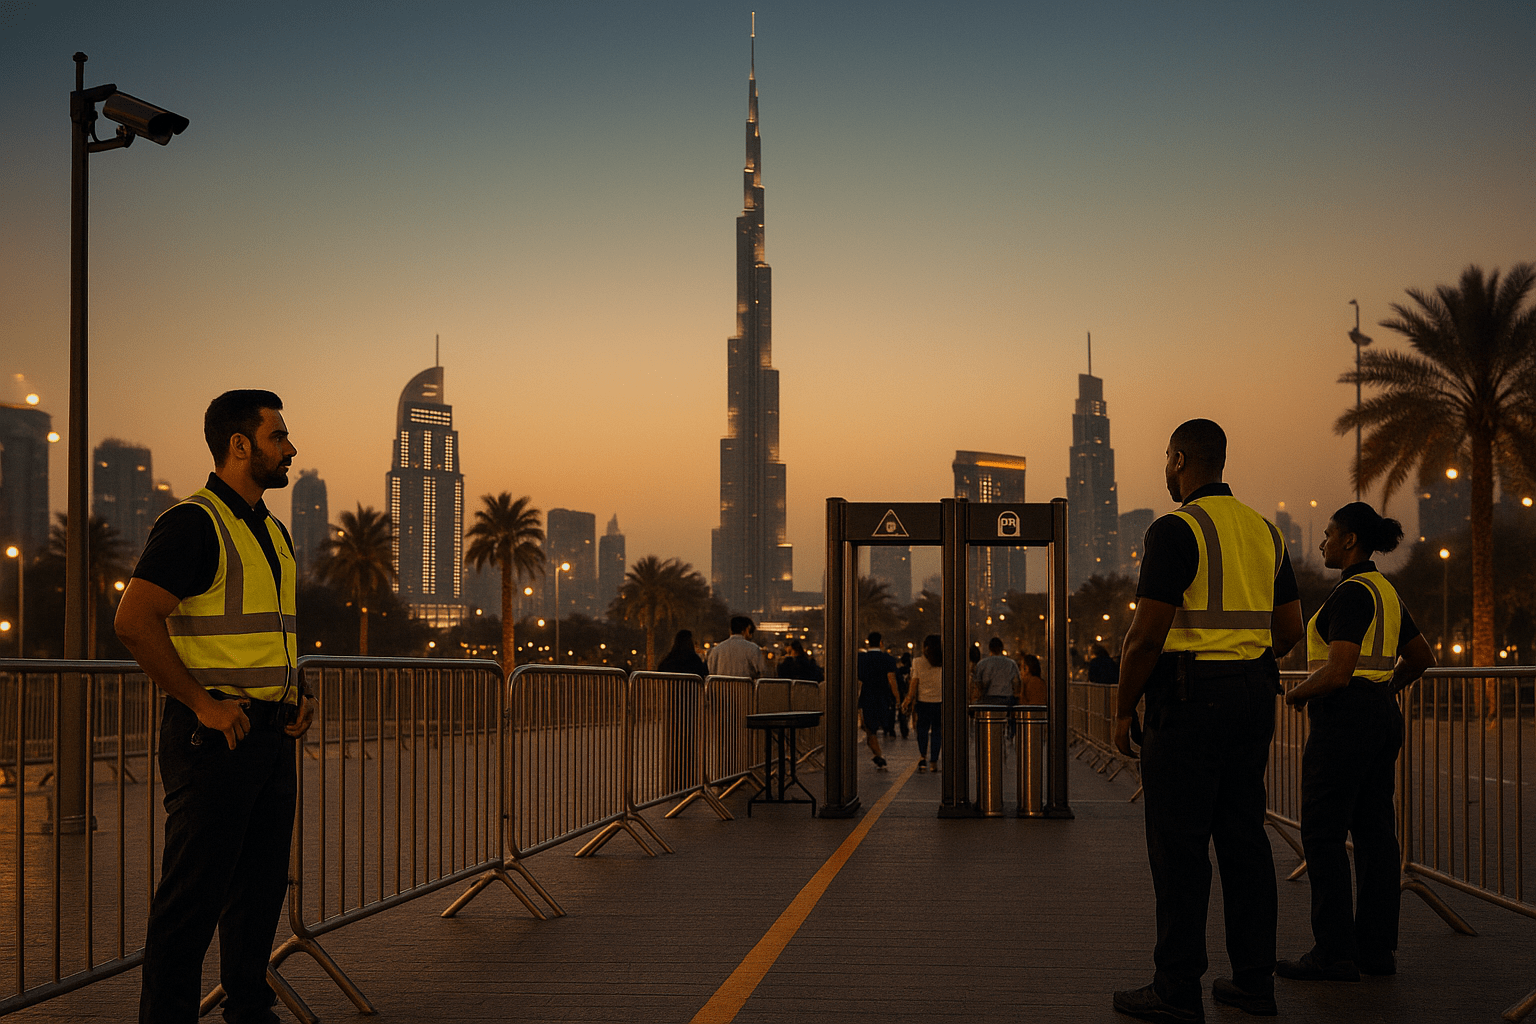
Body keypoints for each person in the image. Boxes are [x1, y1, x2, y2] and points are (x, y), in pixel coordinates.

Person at [115, 390, 316, 1024]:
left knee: (258, 894)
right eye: (277, 435)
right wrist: (202, 704)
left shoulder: (273, 531)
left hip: (269, 733)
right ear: (240, 445)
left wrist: (296, 693)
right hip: (214, 739)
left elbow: (267, 631)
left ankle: (249, 1012)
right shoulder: (194, 524)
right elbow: (134, 620)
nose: (289, 447)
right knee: (191, 902)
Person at [1111, 419, 1304, 1023]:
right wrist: (1245, 658)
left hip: (1190, 701)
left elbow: (1145, 637)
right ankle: (1253, 983)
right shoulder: (1265, 532)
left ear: (1178, 459)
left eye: (1166, 463)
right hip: (1253, 697)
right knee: (1245, 842)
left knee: (1180, 849)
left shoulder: (1176, 529)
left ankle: (1176, 988)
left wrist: (1122, 709)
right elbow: (1291, 630)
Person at [1277, 503, 1433, 982]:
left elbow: (1339, 670)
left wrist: (1297, 692)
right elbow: (1421, 656)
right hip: (1382, 718)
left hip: (1344, 724)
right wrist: (1386, 688)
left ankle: (1334, 953)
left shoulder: (1350, 593)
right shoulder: (1385, 591)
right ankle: (1376, 951)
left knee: (1322, 836)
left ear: (1348, 541)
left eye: (1327, 534)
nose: (1322, 542)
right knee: (1375, 837)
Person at [856, 632, 901, 770]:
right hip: (882, 695)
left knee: (870, 728)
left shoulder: (861, 658)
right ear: (881, 642)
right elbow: (891, 679)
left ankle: (878, 753)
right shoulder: (888, 659)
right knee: (877, 724)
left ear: (868, 642)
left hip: (867, 695)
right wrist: (897, 698)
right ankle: (877, 753)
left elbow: (858, 679)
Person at [902, 634, 944, 772]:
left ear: (926, 647)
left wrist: (908, 699)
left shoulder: (918, 661)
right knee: (937, 731)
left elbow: (914, 683)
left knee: (922, 730)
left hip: (923, 702)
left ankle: (922, 758)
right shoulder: (944, 661)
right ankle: (934, 761)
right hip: (940, 702)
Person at [970, 636, 1021, 706]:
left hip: (988, 698)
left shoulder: (982, 663)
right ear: (1002, 648)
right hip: (1007, 699)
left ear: (990, 648)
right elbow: (1016, 682)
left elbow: (978, 683)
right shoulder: (1011, 663)